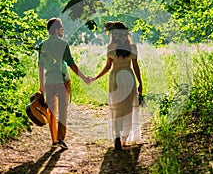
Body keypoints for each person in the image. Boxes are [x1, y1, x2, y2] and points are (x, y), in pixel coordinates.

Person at [38, 17, 90, 149]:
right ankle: (61, 138)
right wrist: (84, 78)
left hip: (49, 81)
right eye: (61, 28)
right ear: (56, 30)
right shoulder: (63, 44)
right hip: (63, 81)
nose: (63, 30)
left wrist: (41, 85)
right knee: (63, 111)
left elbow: (41, 66)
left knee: (51, 111)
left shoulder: (42, 45)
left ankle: (54, 140)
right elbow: (71, 64)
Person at [91, 21, 143, 150]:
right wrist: (140, 82)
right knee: (128, 108)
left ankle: (117, 136)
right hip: (129, 76)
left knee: (117, 107)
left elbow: (108, 66)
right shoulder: (132, 47)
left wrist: (96, 77)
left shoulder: (111, 47)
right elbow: (136, 66)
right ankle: (125, 137)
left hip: (115, 77)